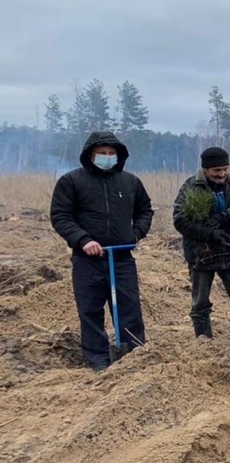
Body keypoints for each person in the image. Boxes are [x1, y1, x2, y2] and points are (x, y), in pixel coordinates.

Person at [50, 131, 153, 371]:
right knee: (90, 310)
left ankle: (133, 356)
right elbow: (61, 216)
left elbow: (145, 211)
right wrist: (83, 240)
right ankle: (98, 361)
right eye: (102, 153)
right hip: (88, 260)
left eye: (111, 153)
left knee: (129, 309)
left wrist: (136, 233)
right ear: (90, 155)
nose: (107, 157)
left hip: (121, 257)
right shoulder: (72, 181)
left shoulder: (130, 182)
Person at [172, 147, 230, 345]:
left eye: (225, 169)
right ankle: (204, 342)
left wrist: (225, 216)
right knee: (200, 302)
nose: (221, 174)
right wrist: (208, 233)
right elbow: (179, 220)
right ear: (205, 170)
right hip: (202, 255)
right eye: (216, 171)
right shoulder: (191, 187)